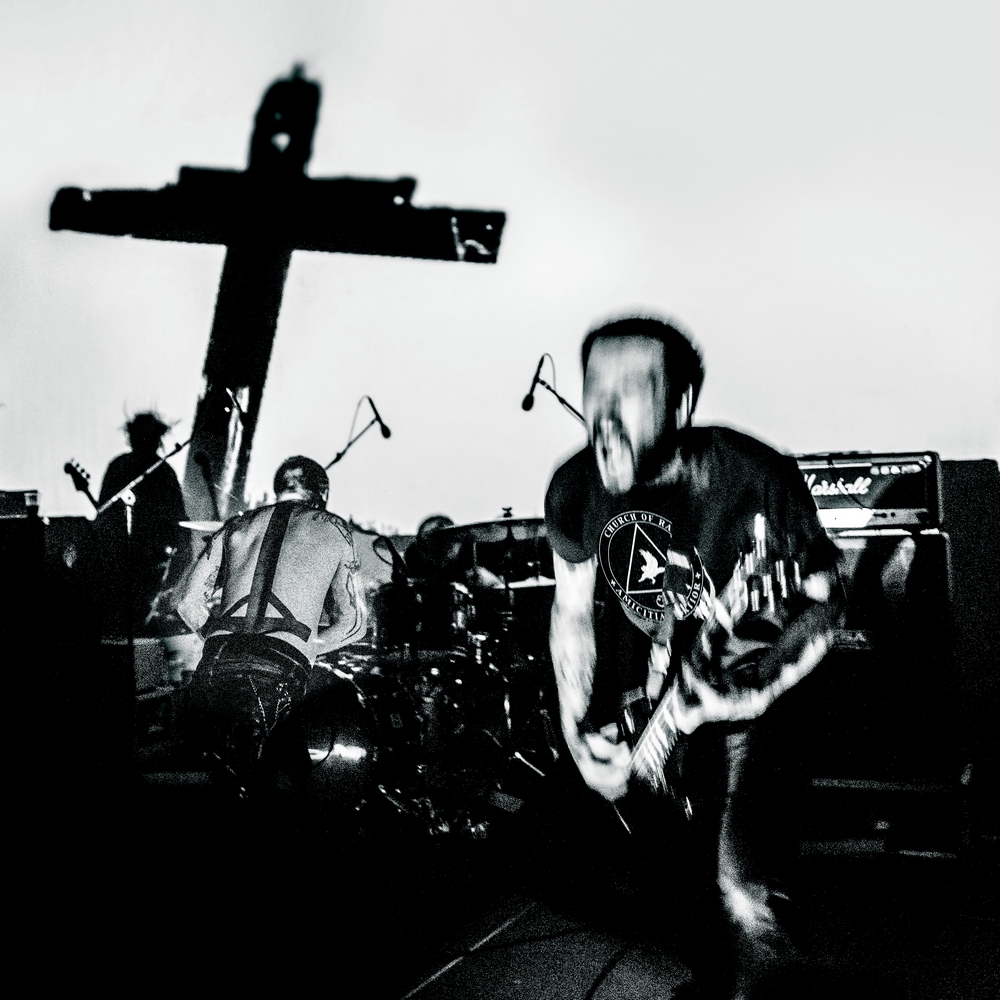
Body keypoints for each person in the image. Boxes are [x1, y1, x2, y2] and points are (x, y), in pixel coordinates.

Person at [544, 316, 843, 998]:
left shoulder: (750, 476)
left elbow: (828, 600)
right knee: (675, 886)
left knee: (741, 887)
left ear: (680, 406)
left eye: (630, 389)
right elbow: (571, 612)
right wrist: (575, 731)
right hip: (653, 711)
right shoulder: (574, 487)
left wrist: (755, 691)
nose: (604, 410)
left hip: (745, 696)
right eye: (594, 387)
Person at [153, 455, 366, 790]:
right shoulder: (334, 528)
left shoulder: (236, 526)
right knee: (291, 785)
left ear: (278, 488)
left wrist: (220, 636)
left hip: (217, 663)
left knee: (216, 777)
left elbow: (184, 602)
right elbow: (354, 623)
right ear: (323, 493)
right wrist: (308, 645)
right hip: (278, 672)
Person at [90, 411, 188, 637]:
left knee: (133, 622)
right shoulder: (128, 467)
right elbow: (104, 516)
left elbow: (178, 523)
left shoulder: (162, 472)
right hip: (124, 563)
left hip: (148, 563)